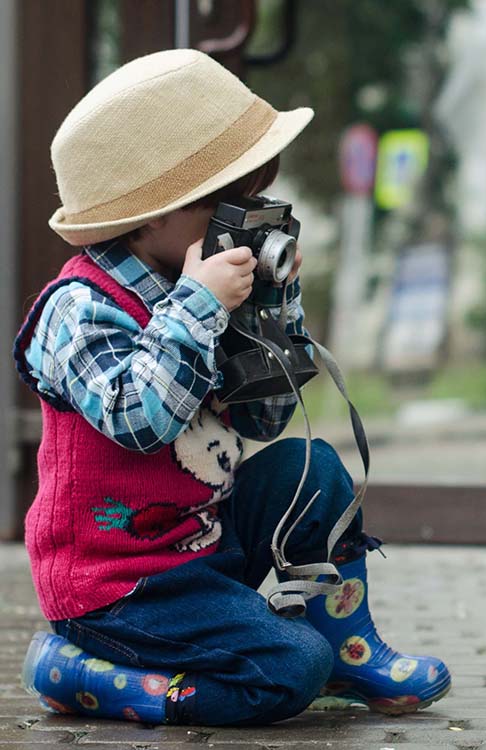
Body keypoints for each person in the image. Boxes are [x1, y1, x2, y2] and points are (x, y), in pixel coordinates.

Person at [13, 49, 451, 727]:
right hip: (119, 588)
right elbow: (140, 420)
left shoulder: (207, 288)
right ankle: (89, 676)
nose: (241, 221)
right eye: (228, 203)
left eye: (252, 199)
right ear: (150, 213)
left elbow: (266, 420)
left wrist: (273, 306)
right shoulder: (79, 309)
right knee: (288, 666)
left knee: (315, 468)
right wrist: (197, 306)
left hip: (201, 546)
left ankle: (347, 646)